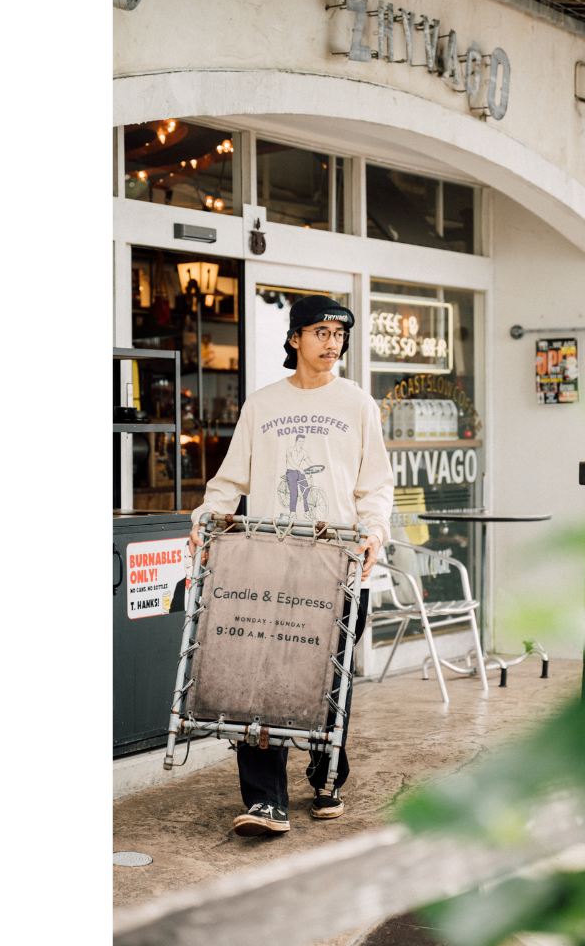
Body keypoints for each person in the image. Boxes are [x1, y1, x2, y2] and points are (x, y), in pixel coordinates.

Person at [187, 294, 393, 836]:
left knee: (331, 678)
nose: (332, 342)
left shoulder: (358, 404)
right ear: (294, 338)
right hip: (269, 564)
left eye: (339, 334)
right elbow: (230, 481)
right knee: (257, 682)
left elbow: (375, 485)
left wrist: (374, 530)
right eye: (321, 332)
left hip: (339, 565)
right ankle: (263, 801)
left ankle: (326, 772)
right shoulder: (263, 405)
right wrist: (210, 517)